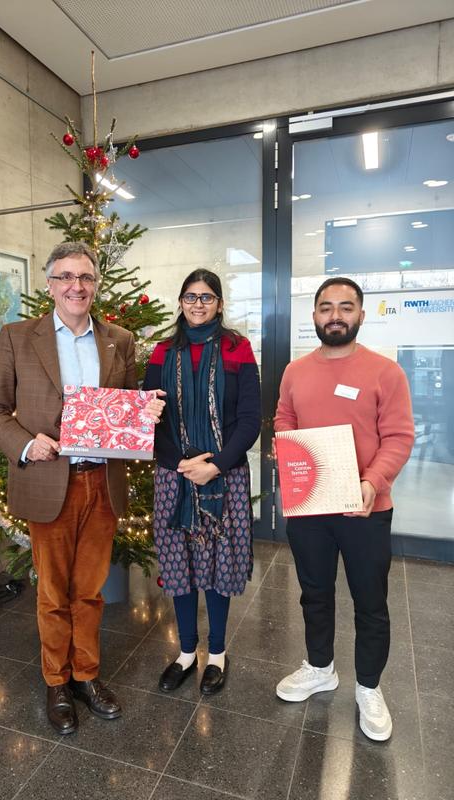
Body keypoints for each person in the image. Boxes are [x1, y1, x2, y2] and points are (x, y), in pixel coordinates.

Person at [0, 241, 164, 735]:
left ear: (95, 283)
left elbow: (125, 407)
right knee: (53, 594)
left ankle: (86, 674)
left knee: (90, 591)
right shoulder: (19, 337)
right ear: (50, 284)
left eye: (84, 277)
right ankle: (55, 682)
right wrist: (23, 443)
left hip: (101, 483)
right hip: (47, 482)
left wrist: (144, 413)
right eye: (65, 277)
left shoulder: (118, 340)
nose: (75, 286)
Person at [274, 276, 414, 741]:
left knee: (370, 602)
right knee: (314, 593)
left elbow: (399, 436)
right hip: (310, 507)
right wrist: (285, 446)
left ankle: (369, 688)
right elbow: (284, 418)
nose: (336, 315)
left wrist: (373, 482)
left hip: (366, 510)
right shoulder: (295, 371)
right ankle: (320, 667)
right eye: (327, 307)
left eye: (346, 307)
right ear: (314, 315)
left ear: (360, 314)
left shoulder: (384, 372)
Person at [143, 269, 261, 695]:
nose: (198, 304)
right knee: (180, 565)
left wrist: (217, 465)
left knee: (218, 566)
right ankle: (186, 652)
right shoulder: (161, 353)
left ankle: (216, 655)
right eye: (190, 297)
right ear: (180, 301)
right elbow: (149, 420)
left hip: (223, 475)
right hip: (174, 475)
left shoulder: (237, 349)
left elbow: (250, 419)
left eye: (207, 297)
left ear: (220, 304)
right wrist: (179, 463)